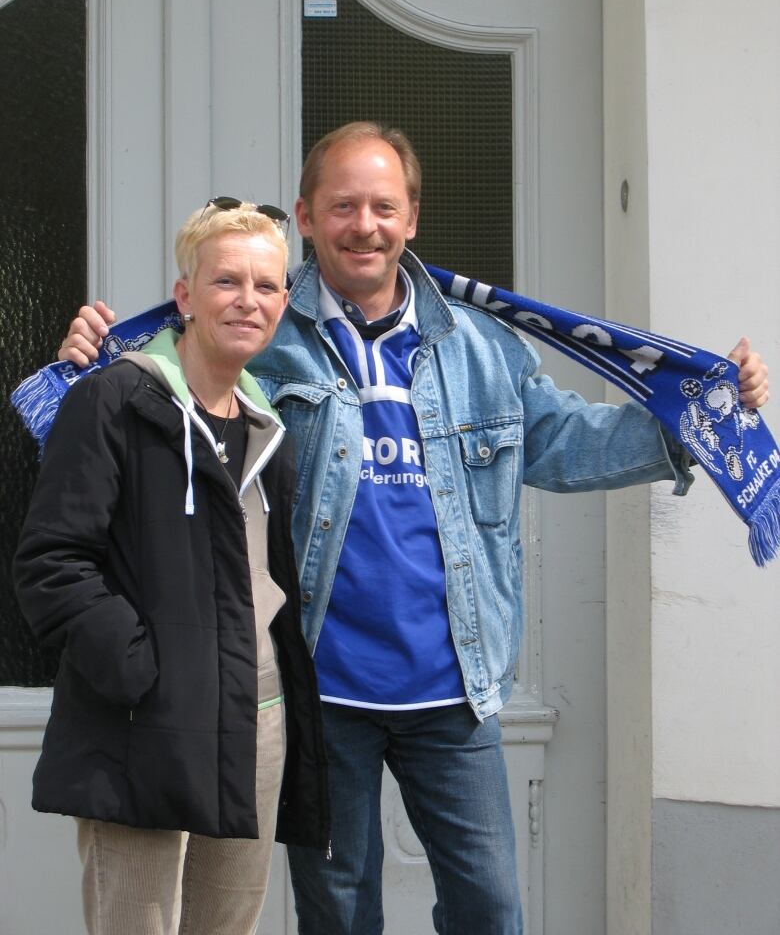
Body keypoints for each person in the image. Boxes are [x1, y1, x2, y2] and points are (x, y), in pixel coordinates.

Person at [58, 123, 769, 935]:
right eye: (344, 206)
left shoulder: (480, 345)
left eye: (383, 206)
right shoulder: (262, 333)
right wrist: (93, 362)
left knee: (489, 912)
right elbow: (163, 399)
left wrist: (696, 419)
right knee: (338, 916)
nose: (365, 224)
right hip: (321, 691)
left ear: (412, 218)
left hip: (454, 692)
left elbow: (568, 440)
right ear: (307, 216)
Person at [15, 200, 328, 935]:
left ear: (284, 300)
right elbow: (51, 563)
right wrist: (139, 672)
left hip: (257, 722)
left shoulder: (268, 423)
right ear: (185, 296)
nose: (247, 301)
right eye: (227, 282)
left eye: (266, 285)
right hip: (146, 722)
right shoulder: (114, 401)